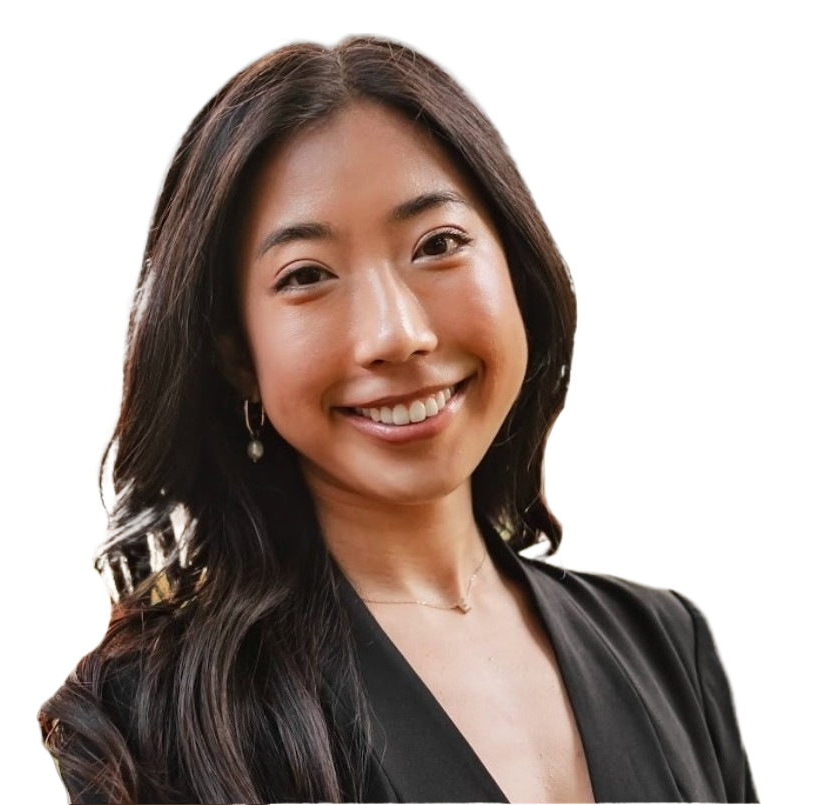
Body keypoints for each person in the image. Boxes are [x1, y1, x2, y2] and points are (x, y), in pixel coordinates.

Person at [39, 36, 756, 803]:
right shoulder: (160, 716)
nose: (397, 333)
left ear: (515, 263)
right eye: (307, 275)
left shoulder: (665, 644)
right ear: (236, 354)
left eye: (437, 244)